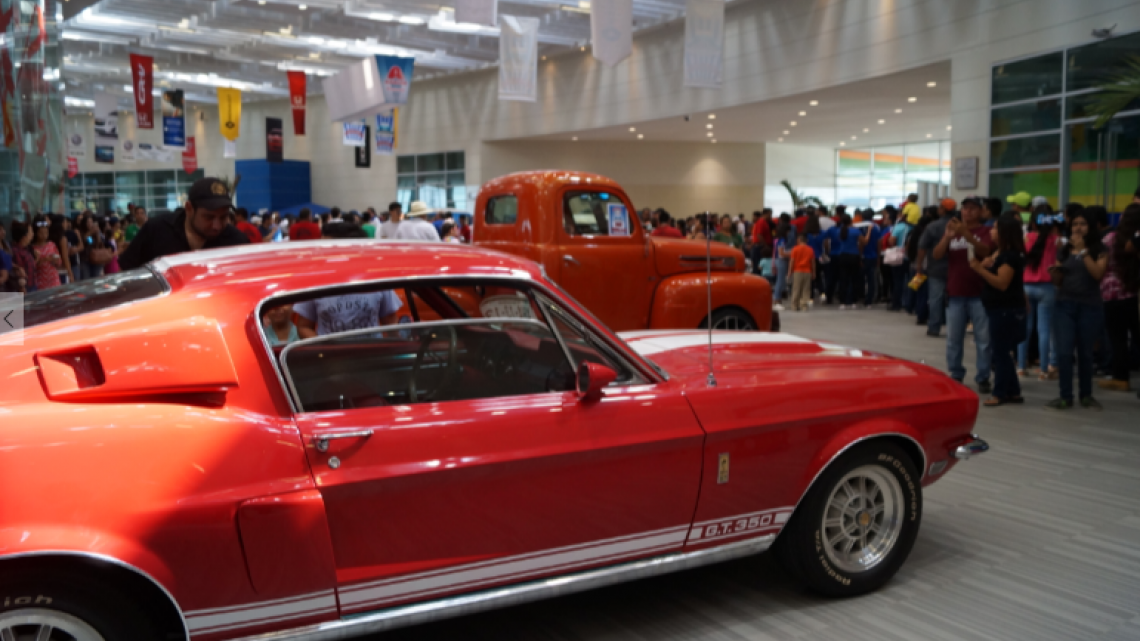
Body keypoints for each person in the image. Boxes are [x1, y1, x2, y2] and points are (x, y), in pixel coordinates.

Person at [295, 222, 402, 338]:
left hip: (372, 353)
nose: (321, 253)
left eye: (327, 250)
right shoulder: (315, 280)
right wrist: (324, 351)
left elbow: (392, 325)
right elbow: (304, 326)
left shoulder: (375, 278)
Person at [1047, 210, 1108, 411]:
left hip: (1090, 306)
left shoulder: (1100, 249)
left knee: (1086, 353)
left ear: (1090, 227)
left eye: (1082, 224)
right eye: (1074, 224)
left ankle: (1086, 395)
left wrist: (1083, 252)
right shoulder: (1063, 250)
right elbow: (1058, 282)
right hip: (1064, 304)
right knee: (1064, 352)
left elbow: (1098, 273)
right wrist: (1055, 274)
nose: (1078, 228)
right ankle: (1065, 396)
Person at [119, 178, 250, 270]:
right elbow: (125, 272)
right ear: (189, 209)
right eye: (208, 217)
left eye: (223, 217)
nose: (217, 226)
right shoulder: (157, 230)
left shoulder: (237, 242)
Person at [934, 196, 994, 392]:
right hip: (956, 291)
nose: (968, 212)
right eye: (965, 208)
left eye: (973, 209)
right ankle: (956, 373)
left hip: (980, 293)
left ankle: (983, 376)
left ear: (981, 212)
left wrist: (966, 234)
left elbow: (986, 251)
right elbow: (936, 255)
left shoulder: (985, 231)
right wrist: (947, 237)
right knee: (953, 338)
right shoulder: (952, 232)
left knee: (983, 339)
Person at [971, 212, 1027, 406]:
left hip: (1005, 310)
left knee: (1000, 353)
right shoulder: (1002, 253)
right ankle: (1013, 391)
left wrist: (980, 270)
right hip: (1001, 309)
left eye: (995, 228)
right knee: (1002, 352)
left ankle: (1000, 392)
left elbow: (1002, 283)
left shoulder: (1010, 257)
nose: (991, 231)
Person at [1097, 203, 1140, 393]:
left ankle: (1120, 378)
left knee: (1118, 339)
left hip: (1112, 294)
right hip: (1134, 293)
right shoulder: (1135, 241)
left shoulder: (1111, 239)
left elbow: (1101, 266)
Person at [1018, 206, 1061, 379]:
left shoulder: (1026, 238)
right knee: (1044, 330)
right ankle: (1044, 369)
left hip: (1026, 287)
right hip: (1047, 287)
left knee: (1025, 329)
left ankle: (1021, 367)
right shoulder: (1056, 240)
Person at [917, 198, 957, 336]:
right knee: (955, 299)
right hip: (956, 269)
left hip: (936, 269)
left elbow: (922, 247)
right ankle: (956, 328)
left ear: (942, 209)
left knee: (935, 299)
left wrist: (919, 267)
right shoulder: (961, 226)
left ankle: (934, 327)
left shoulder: (933, 226)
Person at [834, 212, 866, 310]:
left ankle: (842, 301)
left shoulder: (839, 231)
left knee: (843, 279)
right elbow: (863, 242)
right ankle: (853, 301)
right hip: (854, 256)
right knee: (854, 279)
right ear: (851, 220)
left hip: (843, 256)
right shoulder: (856, 231)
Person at [887, 208, 913, 311]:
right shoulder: (912, 227)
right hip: (909, 257)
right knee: (909, 280)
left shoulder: (898, 227)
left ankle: (896, 303)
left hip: (898, 256)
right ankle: (908, 302)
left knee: (898, 280)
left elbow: (892, 241)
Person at [29, 214, 62, 291]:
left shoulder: (52, 244)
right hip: (40, 280)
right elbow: (33, 265)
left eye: (46, 232)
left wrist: (56, 261)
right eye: (41, 233)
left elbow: (59, 262)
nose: (44, 235)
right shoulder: (33, 248)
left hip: (53, 278)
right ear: (36, 233)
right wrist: (44, 259)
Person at [789, 233, 816, 312]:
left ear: (799, 240)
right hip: (807, 271)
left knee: (796, 289)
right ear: (806, 241)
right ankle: (804, 305)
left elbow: (792, 261)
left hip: (797, 271)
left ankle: (795, 305)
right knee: (806, 289)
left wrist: (790, 271)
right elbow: (813, 262)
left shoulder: (795, 249)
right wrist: (814, 272)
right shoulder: (810, 249)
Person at [860, 210, 881, 307]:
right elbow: (879, 242)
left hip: (862, 255)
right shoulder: (876, 227)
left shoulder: (859, 226)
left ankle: (859, 296)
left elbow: (860, 243)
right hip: (873, 255)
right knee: (871, 279)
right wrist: (878, 255)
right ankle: (869, 299)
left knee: (859, 278)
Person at [50, 215, 76, 285]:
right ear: (60, 224)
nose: (67, 224)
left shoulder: (49, 237)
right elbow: (65, 257)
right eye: (65, 222)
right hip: (62, 271)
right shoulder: (62, 239)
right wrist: (70, 274)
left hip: (51, 271)